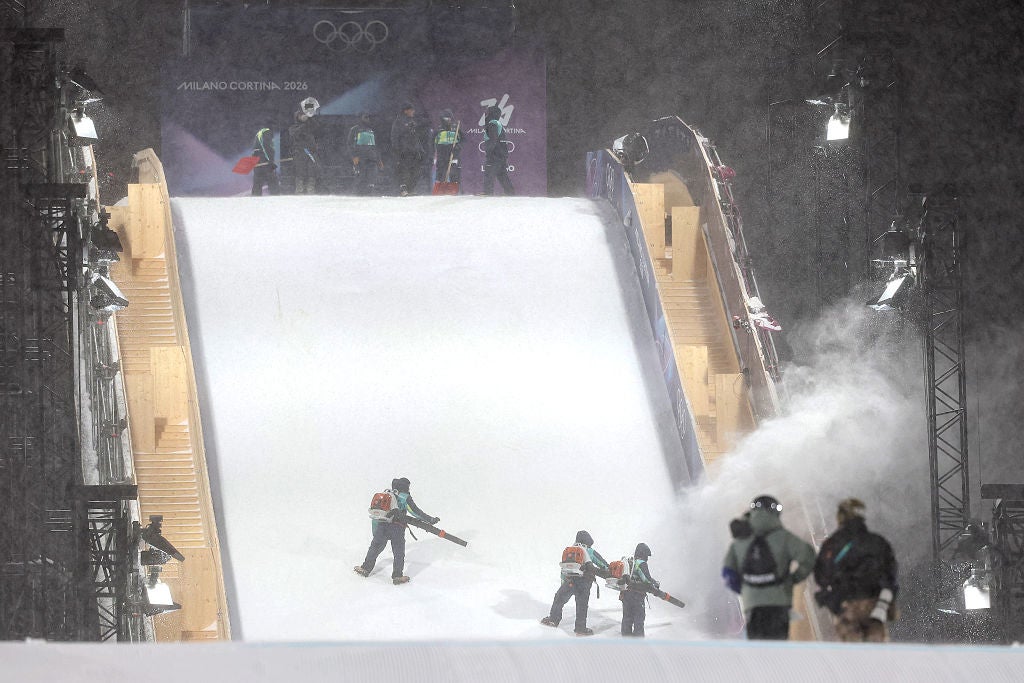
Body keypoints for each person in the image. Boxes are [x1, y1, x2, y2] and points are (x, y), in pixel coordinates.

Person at [721, 494, 816, 640]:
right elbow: (808, 557)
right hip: (778, 604)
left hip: (752, 606)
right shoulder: (784, 537)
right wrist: (793, 579)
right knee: (778, 648)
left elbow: (728, 572)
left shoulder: (740, 538)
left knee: (760, 651)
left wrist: (745, 590)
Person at [813, 497, 899, 642]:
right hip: (875, 605)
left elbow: (821, 576)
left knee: (852, 657)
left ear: (841, 516)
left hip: (846, 607)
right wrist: (883, 606)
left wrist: (834, 601)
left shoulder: (833, 544)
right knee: (876, 655)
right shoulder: (878, 542)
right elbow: (891, 575)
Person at [354, 477, 439, 585]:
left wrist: (375, 532)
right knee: (398, 552)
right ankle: (397, 576)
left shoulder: (387, 494)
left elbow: (376, 516)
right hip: (397, 528)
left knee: (375, 548)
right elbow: (415, 512)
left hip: (381, 526)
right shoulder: (405, 497)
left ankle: (365, 568)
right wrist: (430, 520)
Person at [540, 530, 611, 636]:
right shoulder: (590, 551)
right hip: (584, 583)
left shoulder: (569, 550)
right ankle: (580, 628)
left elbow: (564, 569)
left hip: (569, 581)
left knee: (559, 599)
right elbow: (604, 565)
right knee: (582, 605)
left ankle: (553, 620)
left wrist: (564, 583)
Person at [620, 542, 659, 637]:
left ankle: (626, 635)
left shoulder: (629, 562)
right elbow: (646, 579)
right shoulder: (641, 563)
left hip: (626, 593)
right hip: (637, 595)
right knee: (639, 616)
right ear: (643, 554)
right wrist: (655, 583)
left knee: (627, 616)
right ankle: (638, 637)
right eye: (647, 556)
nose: (647, 558)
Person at [390, 102, 427, 196]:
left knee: (416, 171)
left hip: (415, 151)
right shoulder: (398, 121)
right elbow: (394, 137)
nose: (413, 111)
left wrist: (420, 150)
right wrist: (397, 150)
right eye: (411, 110)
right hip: (404, 151)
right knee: (404, 170)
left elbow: (416, 138)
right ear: (406, 111)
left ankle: (411, 189)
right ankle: (403, 189)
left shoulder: (413, 121)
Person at [481, 104, 514, 196]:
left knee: (489, 173)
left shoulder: (492, 124)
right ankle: (510, 193)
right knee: (502, 175)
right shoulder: (497, 123)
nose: (485, 114)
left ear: (491, 113)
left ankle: (487, 193)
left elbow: (493, 140)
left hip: (495, 155)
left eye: (487, 112)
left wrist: (490, 153)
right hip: (501, 154)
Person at [349, 112, 381, 195]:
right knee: (360, 179)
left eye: (368, 117)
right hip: (360, 159)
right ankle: (357, 197)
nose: (368, 119)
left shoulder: (371, 130)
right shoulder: (354, 129)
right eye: (365, 117)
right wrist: (354, 156)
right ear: (361, 118)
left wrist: (379, 159)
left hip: (372, 158)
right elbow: (349, 144)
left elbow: (375, 146)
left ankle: (369, 197)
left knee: (372, 179)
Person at [289, 108, 319, 194]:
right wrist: (304, 124)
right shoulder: (293, 128)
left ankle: (310, 190)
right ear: (297, 117)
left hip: (311, 152)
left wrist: (309, 117)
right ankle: (299, 190)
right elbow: (295, 134)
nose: (303, 117)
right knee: (300, 172)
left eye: (304, 115)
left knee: (312, 171)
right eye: (301, 115)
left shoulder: (310, 126)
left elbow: (317, 127)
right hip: (299, 152)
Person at [433, 108, 464, 186]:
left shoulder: (456, 129)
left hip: (454, 154)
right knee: (440, 173)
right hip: (442, 155)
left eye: (449, 118)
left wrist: (458, 146)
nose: (448, 120)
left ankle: (455, 189)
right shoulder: (438, 130)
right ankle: (440, 187)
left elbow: (463, 140)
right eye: (446, 118)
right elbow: (431, 142)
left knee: (454, 173)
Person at [250, 126, 279, 196]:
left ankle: (255, 200)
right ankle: (277, 200)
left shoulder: (260, 133)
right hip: (264, 161)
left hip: (257, 161)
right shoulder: (267, 132)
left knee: (257, 183)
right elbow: (267, 147)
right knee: (273, 182)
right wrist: (270, 161)